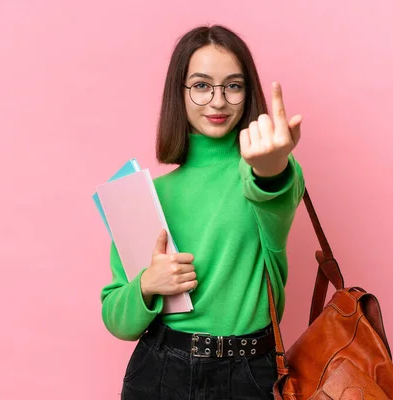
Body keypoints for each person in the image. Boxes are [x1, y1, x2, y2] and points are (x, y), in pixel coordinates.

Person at [101, 24, 305, 400]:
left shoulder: (260, 171)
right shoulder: (147, 195)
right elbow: (116, 318)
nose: (218, 101)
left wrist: (274, 165)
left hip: (250, 373)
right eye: (201, 85)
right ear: (179, 93)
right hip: (160, 371)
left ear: (248, 94)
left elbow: (271, 190)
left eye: (233, 85)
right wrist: (147, 286)